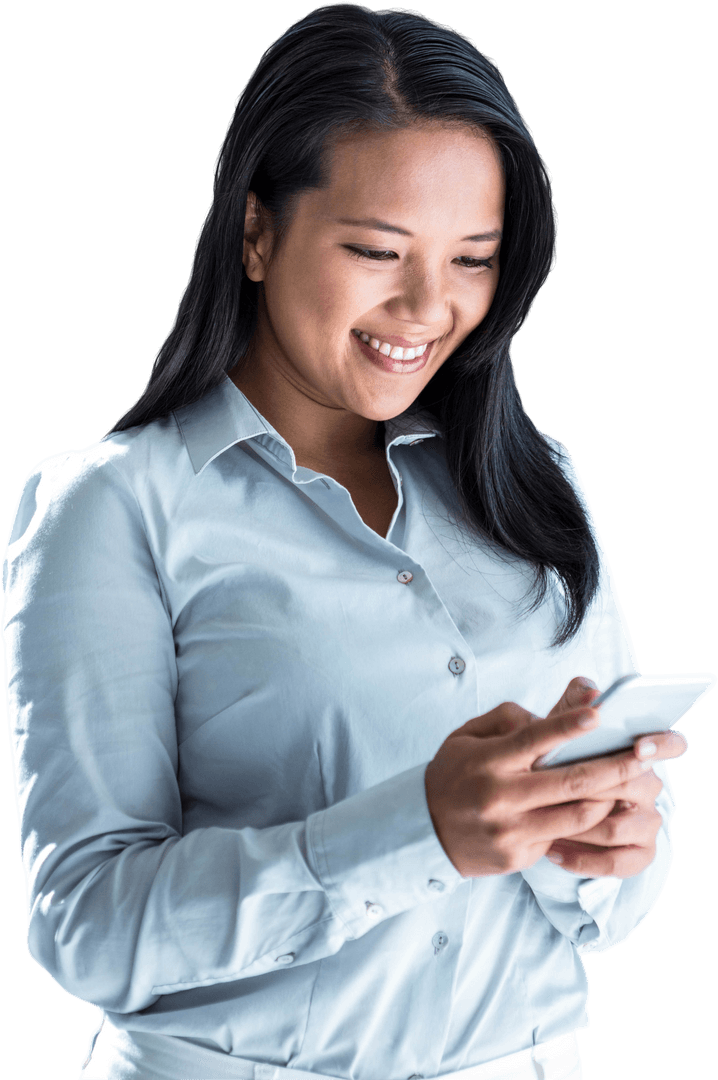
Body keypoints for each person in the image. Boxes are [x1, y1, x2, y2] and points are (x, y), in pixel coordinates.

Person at [1, 4, 688, 1079]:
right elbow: (90, 928)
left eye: (473, 258)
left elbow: (612, 897)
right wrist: (419, 831)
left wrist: (605, 845)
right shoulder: (115, 507)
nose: (428, 306)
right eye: (377, 249)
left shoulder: (534, 479)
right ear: (257, 231)